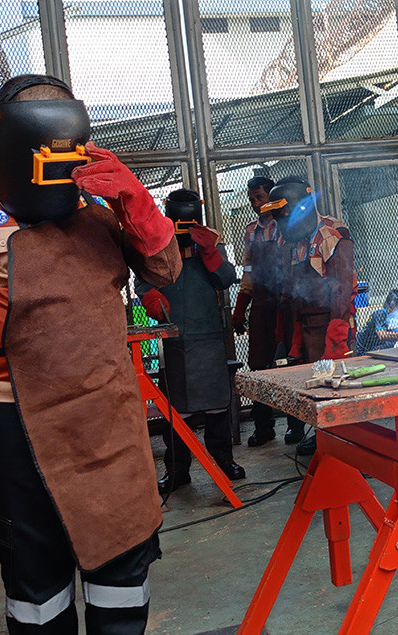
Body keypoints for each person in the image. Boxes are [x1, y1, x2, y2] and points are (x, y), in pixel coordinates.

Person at [0, 74, 180, 633]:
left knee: (122, 567)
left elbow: (165, 272)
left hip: (106, 415)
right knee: (36, 586)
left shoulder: (102, 195)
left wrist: (138, 205)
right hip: (14, 423)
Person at [139, 188, 242, 495]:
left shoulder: (211, 241)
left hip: (209, 335)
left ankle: (223, 461)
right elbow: (142, 278)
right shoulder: (156, 244)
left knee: (217, 406)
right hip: (174, 337)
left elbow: (225, 279)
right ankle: (177, 469)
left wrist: (210, 251)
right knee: (176, 409)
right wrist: (147, 295)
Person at [261, 177, 355, 456]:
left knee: (335, 385)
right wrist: (287, 331)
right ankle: (322, 435)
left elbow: (342, 286)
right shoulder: (286, 239)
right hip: (303, 322)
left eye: (283, 217)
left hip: (330, 322)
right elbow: (288, 284)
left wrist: (337, 333)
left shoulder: (331, 234)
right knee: (312, 384)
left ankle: (346, 442)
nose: (280, 225)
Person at [230, 172, 289, 447]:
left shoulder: (286, 225)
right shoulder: (251, 230)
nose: (255, 203)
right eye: (252, 198)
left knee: (288, 364)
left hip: (286, 304)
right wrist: (241, 308)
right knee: (258, 367)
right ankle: (263, 426)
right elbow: (249, 271)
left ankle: (295, 427)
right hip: (262, 306)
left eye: (260, 197)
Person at [354, 289, 398, 355]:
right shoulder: (380, 314)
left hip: (373, 341)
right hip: (363, 350)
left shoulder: (386, 316)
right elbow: (382, 335)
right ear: (392, 305)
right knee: (389, 344)